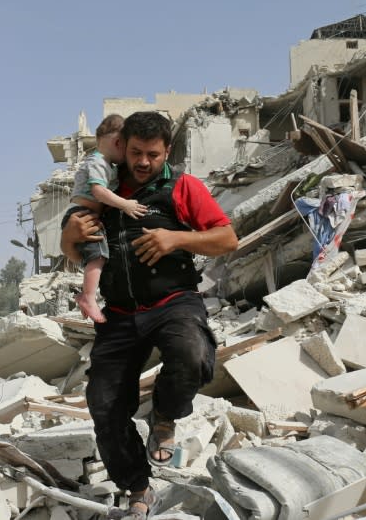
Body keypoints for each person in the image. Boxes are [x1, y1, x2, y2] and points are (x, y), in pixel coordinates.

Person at [61, 112, 238, 519]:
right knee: (103, 404)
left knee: (192, 353)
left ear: (167, 152)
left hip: (174, 303)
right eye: (136, 153)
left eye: (152, 155)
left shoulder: (183, 186)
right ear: (123, 147)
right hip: (119, 314)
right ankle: (138, 488)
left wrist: (176, 237)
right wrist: (70, 239)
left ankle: (165, 414)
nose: (142, 162)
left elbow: (227, 238)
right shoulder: (103, 186)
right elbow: (75, 253)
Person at [61, 114, 147, 324]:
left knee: (96, 257)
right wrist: (125, 204)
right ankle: (88, 297)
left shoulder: (107, 165)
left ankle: (86, 295)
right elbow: (98, 191)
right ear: (118, 143)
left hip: (88, 216)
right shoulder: (98, 162)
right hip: (81, 215)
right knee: (98, 257)